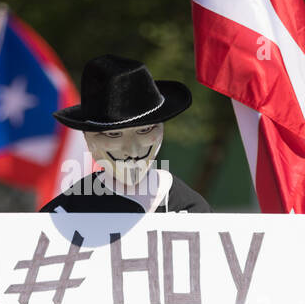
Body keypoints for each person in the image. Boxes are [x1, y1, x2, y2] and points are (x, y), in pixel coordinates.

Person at [39, 54, 209, 213]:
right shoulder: (63, 215)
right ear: (88, 138)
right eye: (114, 134)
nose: (132, 151)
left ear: (162, 129)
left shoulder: (191, 211)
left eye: (144, 130)